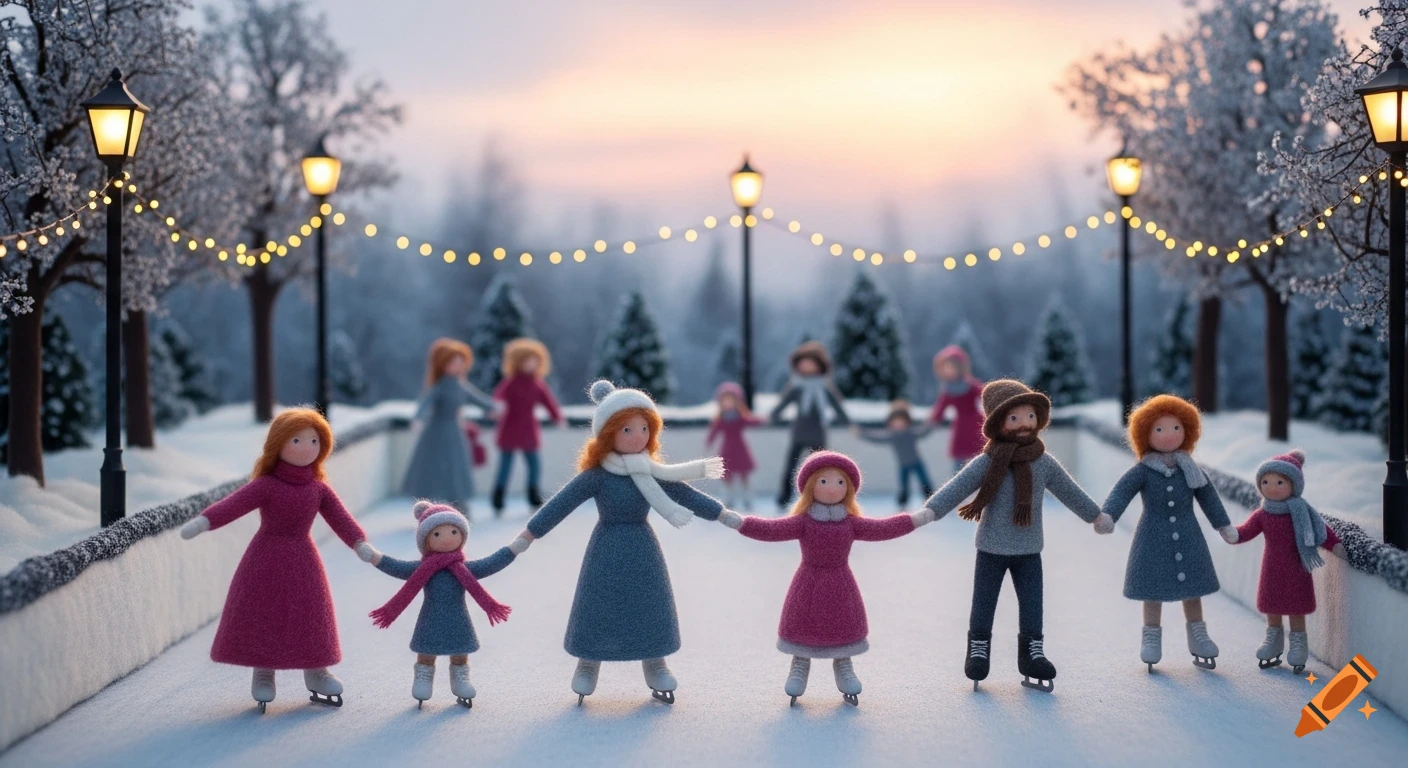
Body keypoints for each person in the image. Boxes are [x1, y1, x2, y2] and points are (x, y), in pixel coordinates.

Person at [517, 380, 730, 704]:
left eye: (644, 428)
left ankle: (655, 662)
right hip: (605, 547)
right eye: (627, 429)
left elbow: (685, 494)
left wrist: (721, 514)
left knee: (648, 606)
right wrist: (531, 533)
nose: (638, 436)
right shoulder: (599, 475)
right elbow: (562, 503)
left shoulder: (651, 471)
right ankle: (588, 663)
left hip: (643, 546)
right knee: (598, 605)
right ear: (608, 434)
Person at [922, 379, 1113, 692]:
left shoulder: (1043, 463)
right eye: (1014, 418)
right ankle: (979, 648)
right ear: (999, 423)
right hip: (990, 549)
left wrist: (1095, 515)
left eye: (1029, 416)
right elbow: (959, 486)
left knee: (1032, 604)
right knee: (983, 603)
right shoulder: (988, 462)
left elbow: (1068, 490)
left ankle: (1032, 652)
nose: (1024, 423)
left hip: (1029, 550)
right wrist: (932, 510)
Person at [179, 408, 375, 712]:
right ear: (278, 444)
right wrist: (204, 522)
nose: (307, 447)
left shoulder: (318, 488)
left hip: (303, 557)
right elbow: (235, 504)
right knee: (264, 613)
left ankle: (317, 671)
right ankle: (263, 672)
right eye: (297, 440)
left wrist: (359, 543)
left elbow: (340, 518)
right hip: (266, 556)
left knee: (310, 613)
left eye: (314, 440)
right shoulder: (267, 485)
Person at [719, 451, 935, 706]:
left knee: (841, 625)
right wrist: (739, 522)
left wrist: (914, 520)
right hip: (808, 582)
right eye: (824, 481)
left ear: (850, 488)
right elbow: (771, 530)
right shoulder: (803, 521)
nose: (832, 488)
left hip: (841, 582)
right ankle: (799, 664)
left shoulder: (851, 523)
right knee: (803, 624)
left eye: (840, 482)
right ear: (810, 486)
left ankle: (844, 665)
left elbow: (882, 528)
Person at [1100, 395, 1238, 672]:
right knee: (1153, 588)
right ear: (1145, 434)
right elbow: (1122, 491)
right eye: (1159, 429)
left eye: (1176, 428)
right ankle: (1151, 636)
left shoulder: (1192, 469)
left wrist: (1222, 524)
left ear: (1187, 431)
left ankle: (1198, 635)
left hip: (1188, 535)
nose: (1168, 435)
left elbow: (1208, 497)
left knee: (1193, 588)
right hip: (1152, 535)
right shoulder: (1142, 471)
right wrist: (1109, 515)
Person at [363, 501, 529, 707]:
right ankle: (423, 676)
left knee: (460, 650)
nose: (447, 538)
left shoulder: (465, 568)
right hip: (430, 618)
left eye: (453, 531)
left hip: (459, 618)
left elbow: (491, 564)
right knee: (427, 649)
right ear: (425, 541)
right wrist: (375, 557)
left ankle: (461, 679)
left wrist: (513, 549)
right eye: (437, 534)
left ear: (462, 536)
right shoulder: (422, 568)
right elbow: (398, 567)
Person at [1234, 449, 1345, 674]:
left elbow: (1321, 530)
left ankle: (1298, 644)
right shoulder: (1263, 514)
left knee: (1296, 608)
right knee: (1272, 606)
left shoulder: (1301, 511)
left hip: (1297, 568)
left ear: (1294, 485)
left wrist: (1334, 545)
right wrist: (1232, 533)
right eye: (1265, 481)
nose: (1271, 487)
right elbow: (1246, 531)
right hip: (1272, 569)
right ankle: (1273, 640)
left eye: (1279, 482)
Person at [402, 338, 497, 514]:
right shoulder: (440, 386)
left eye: (460, 362)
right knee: (432, 466)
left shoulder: (461, 386)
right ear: (442, 364)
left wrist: (493, 407)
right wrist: (418, 418)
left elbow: (477, 398)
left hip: (454, 431)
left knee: (456, 467)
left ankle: (459, 502)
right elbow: (426, 402)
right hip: (435, 432)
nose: (458, 366)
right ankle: (428, 506)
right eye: (453, 363)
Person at [770, 341, 849, 508]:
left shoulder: (824, 387)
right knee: (791, 465)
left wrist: (847, 421)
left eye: (810, 363)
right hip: (799, 431)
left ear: (819, 365)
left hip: (818, 432)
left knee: (820, 467)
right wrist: (773, 415)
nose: (806, 366)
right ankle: (784, 496)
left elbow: (836, 405)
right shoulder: (796, 386)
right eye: (803, 363)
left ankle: (821, 496)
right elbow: (783, 403)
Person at [490, 338, 565, 514]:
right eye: (527, 361)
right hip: (509, 426)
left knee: (534, 464)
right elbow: (498, 398)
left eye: (534, 361)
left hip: (528, 428)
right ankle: (499, 496)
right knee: (505, 465)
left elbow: (549, 402)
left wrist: (557, 417)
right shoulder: (510, 382)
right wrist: (495, 409)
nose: (531, 365)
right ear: (517, 362)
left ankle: (533, 494)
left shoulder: (537, 383)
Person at [853, 401, 936, 508]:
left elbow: (923, 432)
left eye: (901, 422)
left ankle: (930, 498)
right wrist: (861, 433)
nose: (898, 424)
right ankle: (903, 501)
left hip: (916, 461)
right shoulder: (892, 435)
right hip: (903, 464)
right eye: (896, 422)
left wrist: (932, 422)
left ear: (907, 422)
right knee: (903, 484)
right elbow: (876, 437)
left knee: (924, 480)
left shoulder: (910, 432)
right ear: (891, 423)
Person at [705, 381, 763, 509]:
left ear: (737, 402)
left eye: (731, 400)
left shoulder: (740, 418)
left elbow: (751, 421)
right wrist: (709, 442)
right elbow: (714, 432)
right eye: (725, 400)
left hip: (740, 448)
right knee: (727, 474)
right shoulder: (721, 420)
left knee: (744, 474)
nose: (728, 403)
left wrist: (763, 420)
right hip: (727, 449)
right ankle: (729, 497)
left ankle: (747, 497)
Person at [929, 345, 985, 473]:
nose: (949, 371)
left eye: (952, 367)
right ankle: (957, 488)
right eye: (946, 368)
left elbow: (984, 394)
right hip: (960, 428)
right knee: (959, 463)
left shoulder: (970, 385)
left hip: (976, 424)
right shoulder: (948, 390)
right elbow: (940, 408)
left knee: (979, 457)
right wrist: (933, 420)